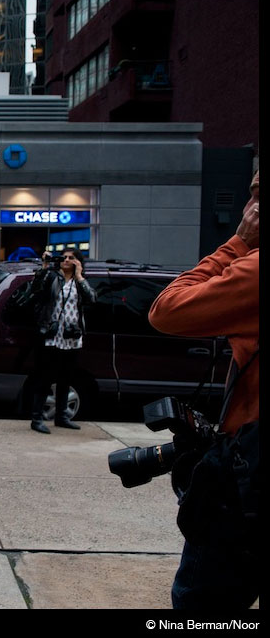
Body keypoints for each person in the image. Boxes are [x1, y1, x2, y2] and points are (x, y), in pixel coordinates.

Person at [148, 170, 259, 610]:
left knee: (203, 605)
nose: (248, 207)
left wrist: (237, 243)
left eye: (256, 195)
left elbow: (166, 309)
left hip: (250, 478)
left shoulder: (253, 269)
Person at [28, 247, 97, 434]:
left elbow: (91, 299)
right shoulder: (52, 277)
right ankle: (36, 418)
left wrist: (80, 275)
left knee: (66, 378)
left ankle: (61, 417)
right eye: (64, 257)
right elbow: (35, 290)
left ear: (78, 261)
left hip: (72, 336)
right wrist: (44, 266)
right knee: (45, 378)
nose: (66, 260)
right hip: (52, 335)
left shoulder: (79, 282)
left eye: (71, 258)